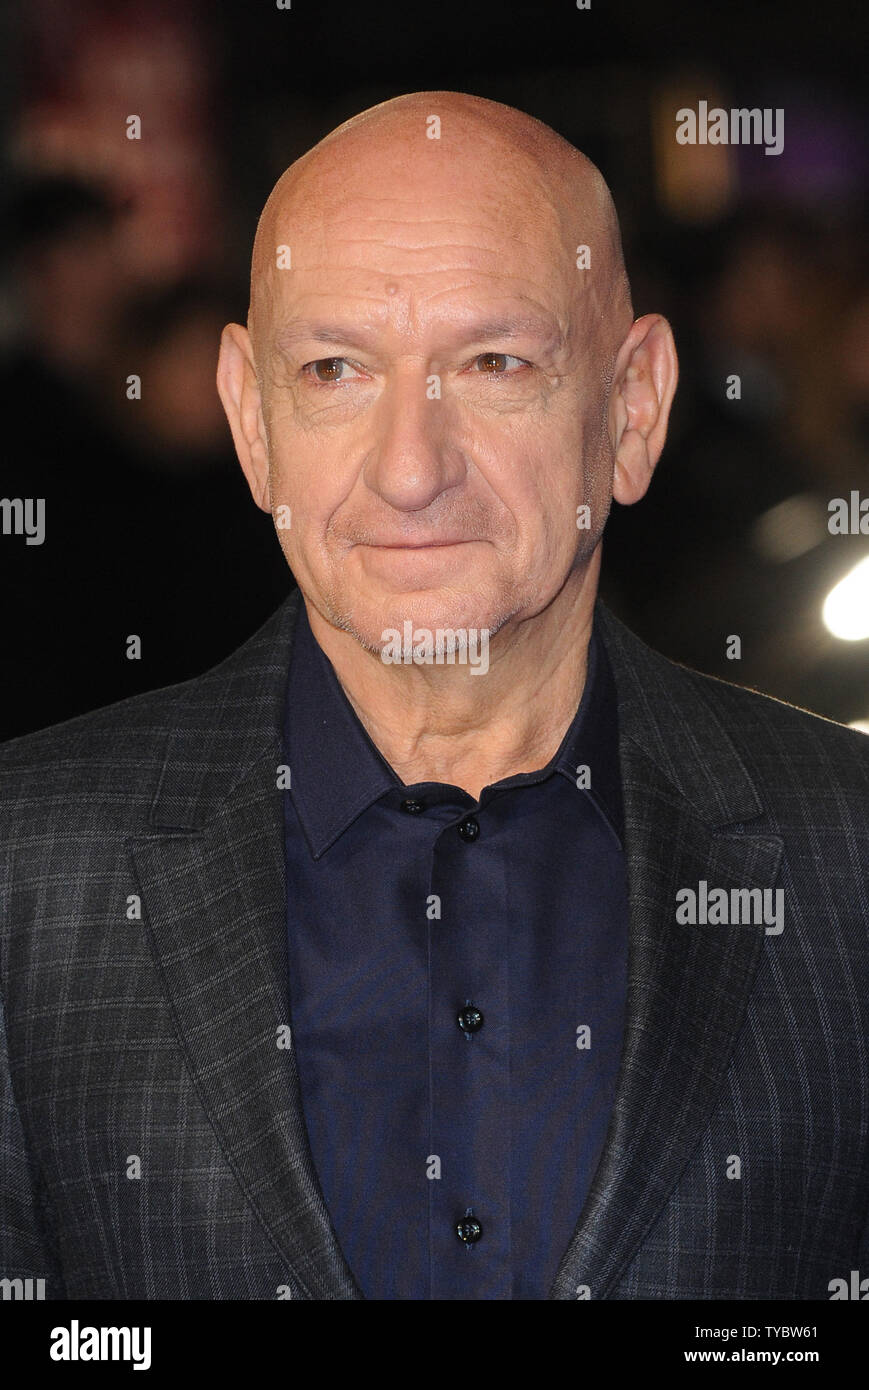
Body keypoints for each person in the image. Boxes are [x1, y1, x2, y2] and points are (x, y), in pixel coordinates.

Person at [1, 91, 867, 1302]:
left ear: (631, 408)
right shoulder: (24, 870)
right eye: (336, 367)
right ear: (253, 420)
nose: (408, 469)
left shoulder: (846, 848)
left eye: (494, 362)